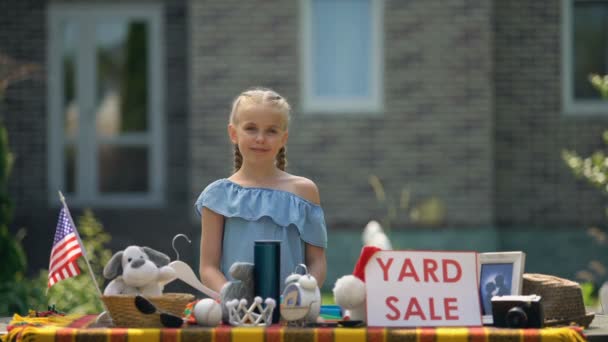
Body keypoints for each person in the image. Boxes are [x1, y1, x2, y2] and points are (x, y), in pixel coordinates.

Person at [194, 87, 327, 293]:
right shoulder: (217, 196)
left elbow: (316, 262)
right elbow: (208, 268)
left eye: (271, 131)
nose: (260, 138)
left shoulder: (305, 192)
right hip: (237, 316)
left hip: (291, 315)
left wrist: (299, 298)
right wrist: (233, 298)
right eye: (251, 128)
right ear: (233, 133)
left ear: (284, 138)